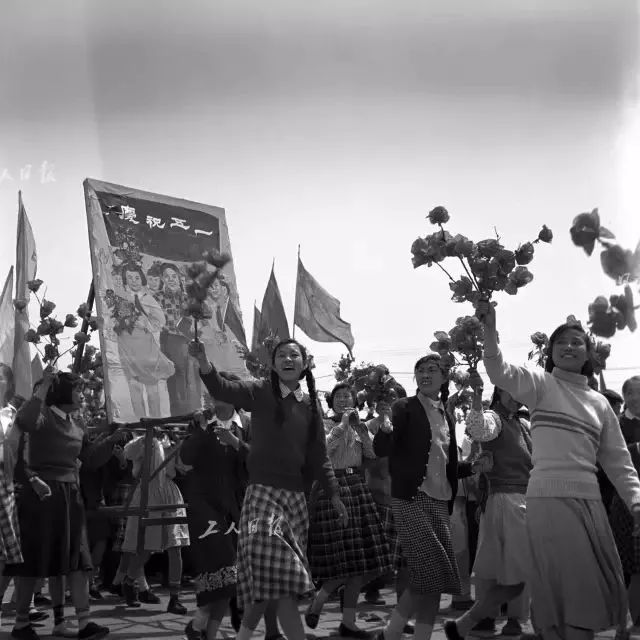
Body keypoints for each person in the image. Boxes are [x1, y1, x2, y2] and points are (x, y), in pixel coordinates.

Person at [472, 300, 640, 640]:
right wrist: (489, 329)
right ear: (551, 351)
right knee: (559, 589)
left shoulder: (601, 404)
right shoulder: (541, 385)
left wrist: (636, 501)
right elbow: (499, 371)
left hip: (590, 503)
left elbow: (618, 461)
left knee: (586, 589)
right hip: (546, 501)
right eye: (561, 341)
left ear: (588, 354)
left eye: (577, 341)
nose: (568, 346)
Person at [189, 338, 348, 640]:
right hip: (263, 498)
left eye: (294, 355)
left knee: (271, 581)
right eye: (281, 355)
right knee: (284, 576)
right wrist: (204, 362)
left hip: (295, 502)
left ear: (305, 362)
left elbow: (319, 456)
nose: (288, 359)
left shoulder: (312, 405)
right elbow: (224, 388)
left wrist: (334, 493)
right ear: (273, 363)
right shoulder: (260, 391)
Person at [372, 354, 490, 640]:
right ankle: (393, 633)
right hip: (411, 499)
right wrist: (385, 426)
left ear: (444, 377)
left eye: (432, 370)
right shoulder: (403, 407)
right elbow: (381, 448)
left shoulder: (446, 415)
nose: (426, 374)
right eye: (421, 370)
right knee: (429, 573)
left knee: (431, 577)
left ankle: (400, 634)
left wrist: (472, 467)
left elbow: (446, 465)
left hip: (440, 502)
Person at [6, 368, 121, 640]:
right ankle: (21, 624)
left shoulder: (77, 424)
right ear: (62, 393)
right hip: (41, 497)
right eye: (77, 389)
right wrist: (42, 389)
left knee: (78, 562)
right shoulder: (41, 416)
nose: (82, 394)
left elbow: (90, 458)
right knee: (34, 563)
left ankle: (84, 623)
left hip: (71, 497)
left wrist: (111, 441)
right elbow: (23, 420)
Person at [445, 376, 533, 639]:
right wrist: (475, 396)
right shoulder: (494, 418)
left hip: (523, 500)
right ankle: (485, 617)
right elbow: (479, 429)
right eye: (510, 390)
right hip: (498, 498)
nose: (515, 397)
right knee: (489, 564)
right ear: (498, 391)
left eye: (520, 392)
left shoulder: (524, 423)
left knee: (518, 562)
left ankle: (515, 618)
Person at [305, 383, 392, 638]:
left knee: (365, 562)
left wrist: (362, 429)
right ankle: (319, 601)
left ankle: (348, 622)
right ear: (331, 401)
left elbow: (372, 454)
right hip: (333, 488)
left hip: (358, 487)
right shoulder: (324, 423)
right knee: (343, 560)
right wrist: (343, 424)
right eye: (339, 397)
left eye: (348, 396)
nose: (344, 400)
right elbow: (324, 450)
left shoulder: (359, 425)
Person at [179, 388, 249, 640]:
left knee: (230, 577)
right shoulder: (201, 422)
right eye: (213, 394)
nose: (215, 398)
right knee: (220, 568)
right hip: (203, 505)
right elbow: (185, 458)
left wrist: (236, 443)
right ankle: (199, 623)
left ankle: (204, 630)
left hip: (235, 506)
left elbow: (257, 461)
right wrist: (200, 429)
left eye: (222, 392)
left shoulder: (247, 424)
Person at [120, 430, 190, 614]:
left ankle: (175, 598)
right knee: (146, 548)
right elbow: (128, 453)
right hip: (147, 493)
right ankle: (128, 582)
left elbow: (185, 466)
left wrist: (179, 443)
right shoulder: (140, 440)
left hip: (169, 493)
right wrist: (148, 436)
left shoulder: (172, 438)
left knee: (176, 546)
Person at [118, 262, 173, 417]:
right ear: (125, 279)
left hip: (145, 348)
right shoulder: (120, 298)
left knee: (152, 388)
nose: (134, 281)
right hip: (126, 348)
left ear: (142, 279)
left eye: (136, 277)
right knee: (134, 387)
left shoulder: (147, 298)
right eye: (130, 277)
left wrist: (145, 324)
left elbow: (160, 321)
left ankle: (156, 425)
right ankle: (140, 426)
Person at [610, 375, 640, 628]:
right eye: (634, 393)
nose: (639, 398)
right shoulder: (616, 424)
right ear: (626, 395)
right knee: (627, 566)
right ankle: (625, 621)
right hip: (625, 502)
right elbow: (605, 458)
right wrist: (636, 450)